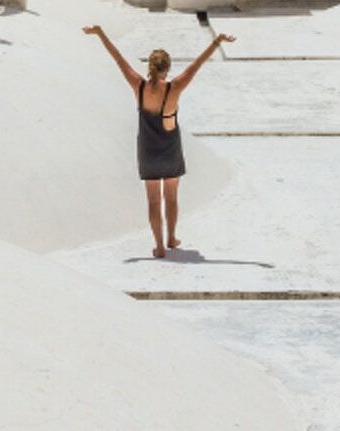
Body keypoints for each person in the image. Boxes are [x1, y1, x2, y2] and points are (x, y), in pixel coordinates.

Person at [82, 26, 236, 259]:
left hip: (147, 149)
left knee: (153, 200)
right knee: (171, 196)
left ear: (150, 68)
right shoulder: (175, 87)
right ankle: (172, 237)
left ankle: (159, 246)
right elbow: (197, 64)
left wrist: (101, 33)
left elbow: (118, 58)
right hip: (170, 147)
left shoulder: (139, 85)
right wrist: (218, 41)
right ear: (168, 68)